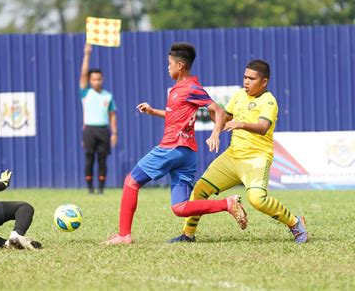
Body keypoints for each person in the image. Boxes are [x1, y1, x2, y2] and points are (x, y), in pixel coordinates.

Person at [103, 42, 247, 245]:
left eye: (169, 63)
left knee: (131, 182)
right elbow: (175, 116)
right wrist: (153, 111)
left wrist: (215, 133)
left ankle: (124, 235)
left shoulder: (191, 87)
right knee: (179, 207)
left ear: (180, 65)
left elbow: (219, 111)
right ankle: (228, 204)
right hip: (187, 154)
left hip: (171, 147)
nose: (167, 67)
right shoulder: (178, 90)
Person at [168, 60, 308, 244]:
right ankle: (188, 235)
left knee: (257, 200)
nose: (246, 82)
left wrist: (239, 123)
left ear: (264, 82)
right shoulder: (239, 95)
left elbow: (263, 127)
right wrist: (209, 109)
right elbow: (223, 118)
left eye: (251, 78)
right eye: (245, 77)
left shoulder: (269, 101)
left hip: (256, 159)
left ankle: (295, 223)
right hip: (233, 156)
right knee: (200, 190)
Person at [79, 44, 118, 194]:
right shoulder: (85, 93)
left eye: (99, 79)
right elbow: (83, 74)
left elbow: (113, 115)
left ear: (102, 79)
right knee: (89, 159)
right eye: (94, 79)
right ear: (90, 80)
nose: (97, 81)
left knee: (102, 160)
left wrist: (114, 133)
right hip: (89, 129)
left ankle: (101, 189)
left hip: (103, 130)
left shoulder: (107, 96)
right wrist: (87, 55)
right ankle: (90, 189)